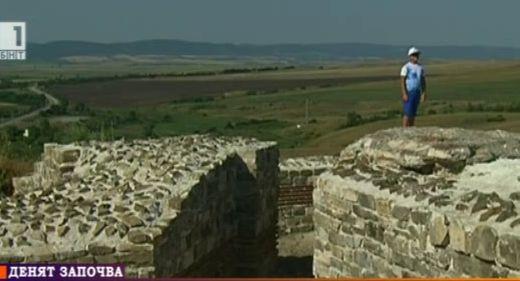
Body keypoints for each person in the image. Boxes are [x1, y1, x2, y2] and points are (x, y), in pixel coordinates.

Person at [400, 47, 427, 127]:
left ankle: (411, 129)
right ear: (410, 56)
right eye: (414, 55)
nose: (416, 56)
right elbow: (402, 81)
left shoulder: (420, 67)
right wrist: (404, 93)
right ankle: (404, 129)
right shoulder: (406, 67)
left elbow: (423, 81)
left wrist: (423, 93)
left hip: (417, 92)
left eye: (417, 55)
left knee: (413, 112)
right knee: (407, 112)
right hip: (409, 92)